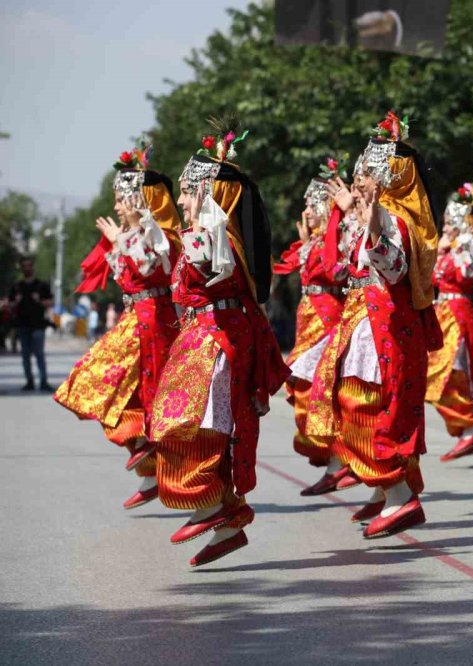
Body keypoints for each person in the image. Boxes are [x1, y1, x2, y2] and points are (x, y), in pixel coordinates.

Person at [148, 123, 289, 567]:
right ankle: (224, 517)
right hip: (201, 336)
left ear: (206, 193)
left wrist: (207, 223)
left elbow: (216, 270)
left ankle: (218, 506)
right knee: (191, 422)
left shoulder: (217, 235)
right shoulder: (206, 234)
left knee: (198, 422)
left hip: (219, 338)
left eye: (189, 193)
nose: (182, 201)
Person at [304, 111, 441, 536]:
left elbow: (395, 269)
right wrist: (351, 216)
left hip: (382, 323)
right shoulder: (375, 216)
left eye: (367, 173)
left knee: (364, 405)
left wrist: (372, 223)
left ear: (385, 180)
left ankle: (398, 493)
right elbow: (339, 268)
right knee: (355, 404)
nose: (359, 180)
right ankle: (386, 490)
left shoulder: (397, 221)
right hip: (364, 319)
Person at [54, 140, 181, 509]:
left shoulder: (159, 235)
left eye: (121, 200)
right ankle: (148, 464)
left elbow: (148, 268)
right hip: (134, 319)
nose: (115, 207)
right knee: (106, 386)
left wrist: (119, 241)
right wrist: (119, 242)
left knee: (124, 387)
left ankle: (154, 461)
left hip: (154, 321)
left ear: (139, 202)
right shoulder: (131, 236)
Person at [273, 161, 361, 496]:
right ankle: (335, 462)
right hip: (309, 318)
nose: (306, 211)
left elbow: (334, 271)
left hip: (326, 317)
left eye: (312, 205)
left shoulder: (334, 238)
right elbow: (286, 266)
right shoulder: (314, 240)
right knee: (310, 391)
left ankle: (340, 460)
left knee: (320, 391)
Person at [425, 181, 473, 462]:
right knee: (434, 374)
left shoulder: (467, 247)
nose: (445, 227)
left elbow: (468, 277)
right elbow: (430, 281)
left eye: (449, 223)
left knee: (447, 371)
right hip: (443, 312)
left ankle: (470, 426)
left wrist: (451, 250)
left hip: (458, 314)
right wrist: (440, 252)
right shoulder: (447, 248)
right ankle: (467, 426)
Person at [9, 258, 54, 391]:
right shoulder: (17, 287)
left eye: (29, 266)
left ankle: (43, 381)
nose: (27, 268)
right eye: (25, 266)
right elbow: (9, 305)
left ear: (33, 268)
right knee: (25, 356)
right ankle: (29, 381)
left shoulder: (41, 285)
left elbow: (50, 302)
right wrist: (15, 302)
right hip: (23, 326)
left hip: (38, 325)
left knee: (39, 354)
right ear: (22, 269)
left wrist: (40, 300)